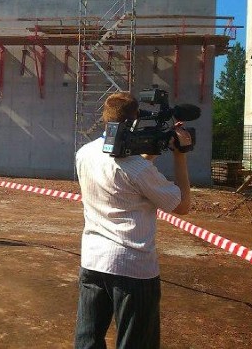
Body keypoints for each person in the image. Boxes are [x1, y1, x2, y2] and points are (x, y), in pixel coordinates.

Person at [74, 92, 192, 349]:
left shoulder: (84, 153)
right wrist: (180, 155)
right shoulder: (137, 169)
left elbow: (127, 178)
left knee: (88, 340)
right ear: (135, 117)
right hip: (133, 269)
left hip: (93, 261)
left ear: (105, 117)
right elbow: (182, 205)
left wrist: (151, 152)